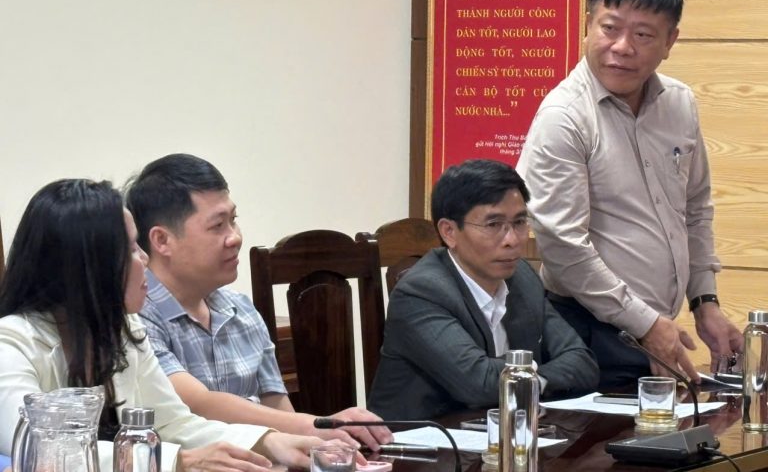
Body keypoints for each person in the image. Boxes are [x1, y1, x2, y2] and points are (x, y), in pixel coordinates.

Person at [517, 0, 743, 389]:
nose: (622, 47)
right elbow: (563, 246)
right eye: (609, 28)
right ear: (587, 26)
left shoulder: (679, 103)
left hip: (654, 327)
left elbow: (695, 209)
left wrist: (704, 302)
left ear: (669, 41)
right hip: (585, 333)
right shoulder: (564, 117)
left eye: (643, 35)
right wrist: (645, 325)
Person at [0, 179, 323, 472]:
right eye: (131, 248)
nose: (144, 259)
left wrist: (269, 441)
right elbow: (39, 451)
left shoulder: (123, 329)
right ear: (90, 265)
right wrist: (178, 461)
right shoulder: (11, 343)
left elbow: (174, 423)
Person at [124, 153, 392, 451]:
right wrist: (315, 425)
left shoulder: (240, 309)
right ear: (162, 241)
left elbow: (279, 409)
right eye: (217, 226)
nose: (235, 238)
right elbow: (196, 404)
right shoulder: (137, 317)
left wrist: (323, 437)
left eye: (233, 221)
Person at [367, 159, 599, 420]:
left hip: (502, 432)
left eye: (520, 222)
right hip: (422, 438)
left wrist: (529, 378)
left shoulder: (522, 277)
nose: (512, 240)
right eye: (493, 225)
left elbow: (582, 362)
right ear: (449, 232)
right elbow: (480, 383)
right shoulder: (421, 293)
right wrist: (539, 376)